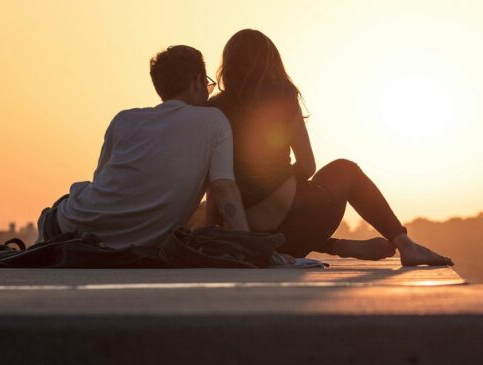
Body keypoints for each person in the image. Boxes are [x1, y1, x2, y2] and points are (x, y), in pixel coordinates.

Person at [208, 29, 453, 266]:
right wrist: (278, 180)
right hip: (294, 220)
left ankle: (335, 246)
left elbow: (214, 181)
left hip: (249, 230)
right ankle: (406, 245)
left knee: (287, 216)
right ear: (271, 63)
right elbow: (307, 165)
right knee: (345, 170)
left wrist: (220, 230)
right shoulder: (282, 95)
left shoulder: (214, 108)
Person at [35, 45, 250, 249]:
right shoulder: (214, 121)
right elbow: (223, 188)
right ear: (198, 81)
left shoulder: (124, 120)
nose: (208, 93)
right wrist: (250, 247)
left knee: (65, 205)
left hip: (76, 227)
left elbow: (104, 184)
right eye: (207, 85)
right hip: (129, 242)